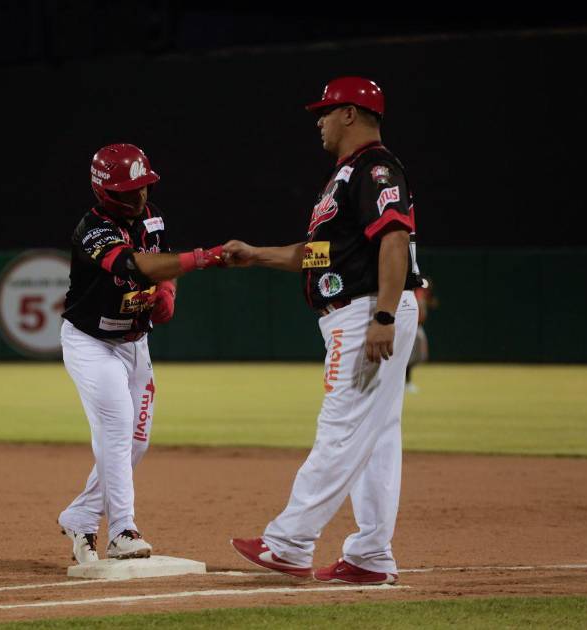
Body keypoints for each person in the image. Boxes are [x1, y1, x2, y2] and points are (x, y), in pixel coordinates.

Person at [225, 77, 421, 585]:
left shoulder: (375, 169)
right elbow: (322, 254)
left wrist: (382, 316)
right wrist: (256, 255)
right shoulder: (347, 175)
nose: (319, 122)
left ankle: (289, 542)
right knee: (377, 437)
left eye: (325, 112)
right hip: (357, 309)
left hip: (365, 311)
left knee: (340, 427)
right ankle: (370, 555)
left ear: (350, 114)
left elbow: (394, 238)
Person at [58, 143, 226, 563]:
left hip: (135, 343)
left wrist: (169, 289)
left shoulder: (152, 217)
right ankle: (122, 531)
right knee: (116, 429)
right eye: (129, 191)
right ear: (104, 191)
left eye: (144, 187)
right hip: (92, 343)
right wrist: (199, 259)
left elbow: (162, 263)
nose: (139, 196)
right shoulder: (93, 229)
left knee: (136, 442)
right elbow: (135, 266)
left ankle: (81, 516)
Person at [406, 277, 437, 393]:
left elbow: (432, 303)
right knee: (410, 356)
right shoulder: (418, 292)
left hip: (418, 327)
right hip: (413, 326)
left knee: (421, 356)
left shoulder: (423, 294)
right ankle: (407, 382)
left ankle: (406, 381)